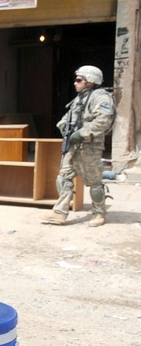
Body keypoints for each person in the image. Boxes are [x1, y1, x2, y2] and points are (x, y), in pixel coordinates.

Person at [42, 65, 115, 227]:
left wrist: (82, 133)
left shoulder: (101, 98)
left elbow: (104, 120)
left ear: (90, 81)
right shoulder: (79, 99)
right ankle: (60, 212)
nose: (75, 83)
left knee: (94, 182)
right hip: (72, 145)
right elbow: (68, 117)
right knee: (63, 178)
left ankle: (99, 212)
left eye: (79, 80)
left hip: (89, 146)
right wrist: (62, 125)